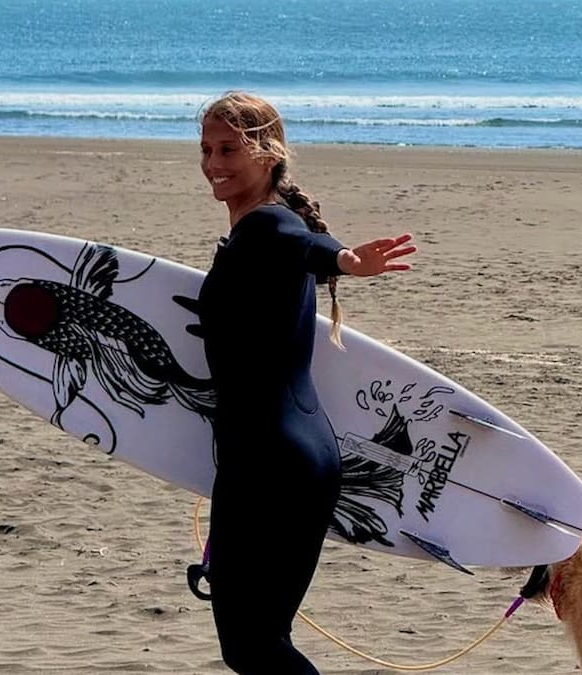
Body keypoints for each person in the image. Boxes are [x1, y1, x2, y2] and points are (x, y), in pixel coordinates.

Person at [194, 91, 416, 674]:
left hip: (269, 461)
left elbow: (304, 247)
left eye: (229, 150)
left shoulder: (269, 225)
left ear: (268, 154)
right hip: (289, 456)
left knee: (254, 648)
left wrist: (346, 260)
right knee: (261, 644)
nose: (214, 163)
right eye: (207, 149)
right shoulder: (256, 234)